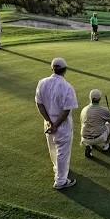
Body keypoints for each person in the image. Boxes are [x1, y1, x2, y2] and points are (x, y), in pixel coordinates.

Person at [35, 57, 79, 190]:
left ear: (52, 69)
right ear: (65, 70)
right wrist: (56, 125)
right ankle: (61, 181)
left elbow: (39, 104)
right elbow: (66, 110)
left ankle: (58, 169)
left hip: (48, 123)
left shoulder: (42, 83)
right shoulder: (67, 87)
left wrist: (49, 122)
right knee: (63, 152)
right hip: (62, 125)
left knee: (53, 148)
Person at [80, 89, 110, 158]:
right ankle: (106, 145)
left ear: (90, 98)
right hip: (98, 138)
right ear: (99, 99)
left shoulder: (84, 109)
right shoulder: (104, 110)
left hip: (84, 138)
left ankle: (89, 145)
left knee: (87, 125)